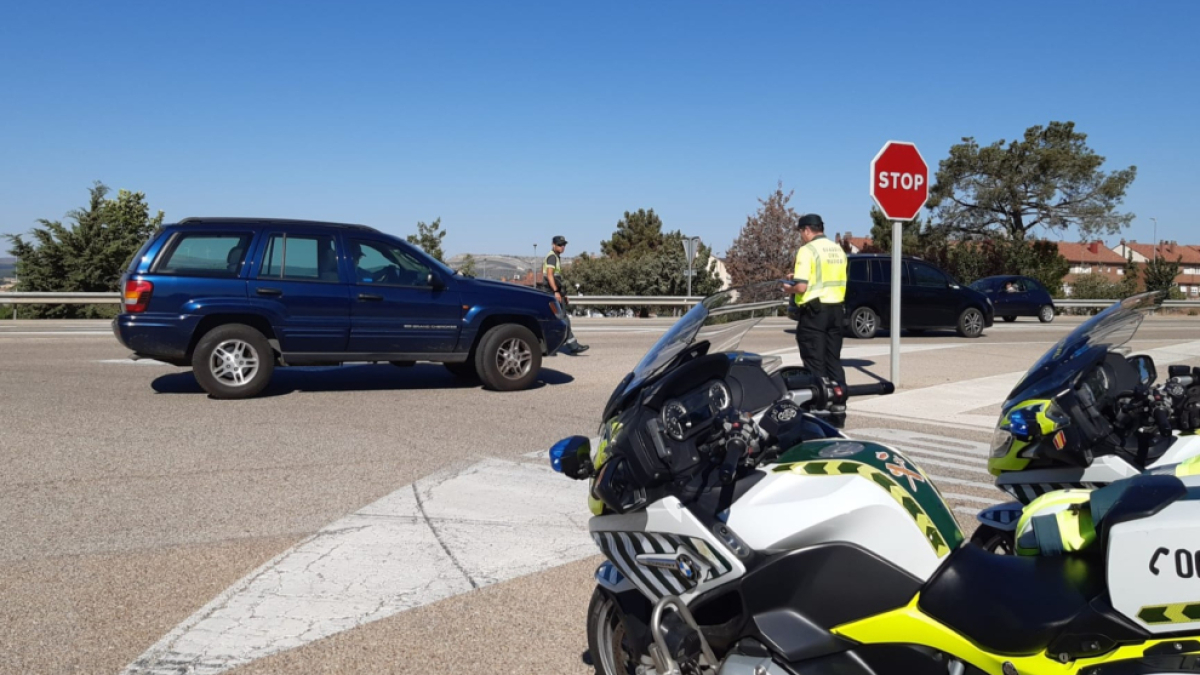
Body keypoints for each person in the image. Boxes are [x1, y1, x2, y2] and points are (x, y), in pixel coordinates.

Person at [781, 214, 847, 387]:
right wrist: (797, 276)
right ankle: (839, 399)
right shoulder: (838, 250)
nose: (801, 236)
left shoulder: (807, 250)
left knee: (814, 362)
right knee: (833, 360)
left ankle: (820, 400)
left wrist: (789, 288)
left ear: (807, 230)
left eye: (801, 232)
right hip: (836, 311)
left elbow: (801, 287)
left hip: (814, 313)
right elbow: (825, 276)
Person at [540, 235, 589, 354]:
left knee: (560, 319)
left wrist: (563, 294)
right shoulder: (552, 257)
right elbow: (550, 276)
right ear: (553, 245)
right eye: (559, 245)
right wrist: (556, 292)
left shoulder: (555, 257)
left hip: (555, 292)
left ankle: (556, 344)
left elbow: (557, 279)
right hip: (551, 292)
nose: (562, 247)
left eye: (564, 245)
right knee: (563, 319)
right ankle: (572, 345)